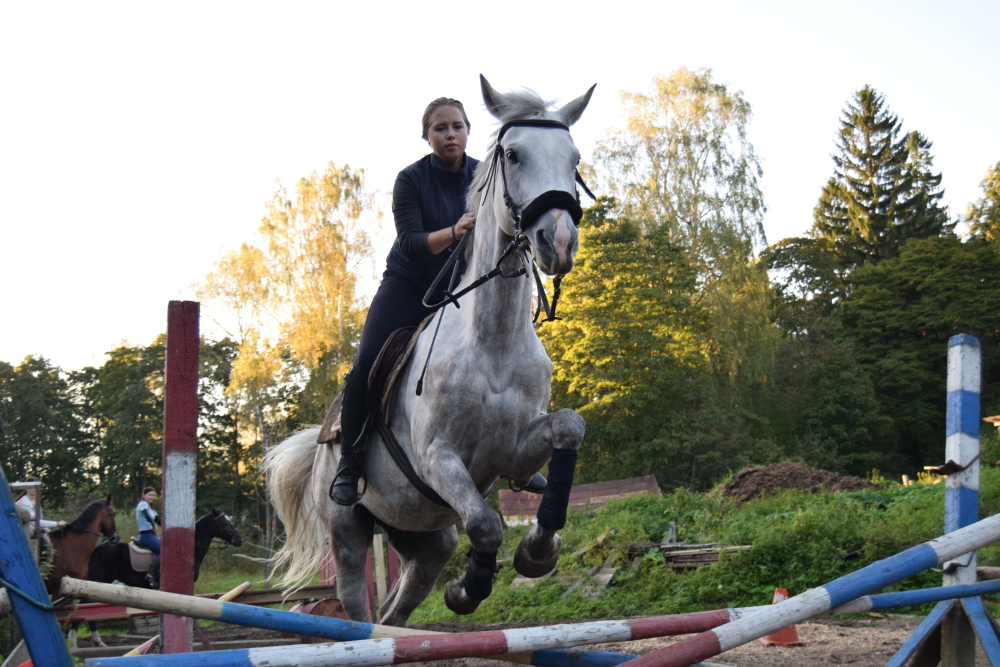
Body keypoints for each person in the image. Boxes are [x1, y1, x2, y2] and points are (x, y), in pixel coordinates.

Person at [332, 96, 545, 505]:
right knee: (366, 361)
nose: (450, 134)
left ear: (468, 131)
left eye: (458, 126)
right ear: (427, 135)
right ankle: (351, 462)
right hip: (411, 284)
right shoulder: (410, 179)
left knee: (515, 353)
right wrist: (455, 230)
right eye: (440, 128)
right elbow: (410, 243)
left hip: (464, 286)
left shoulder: (486, 173)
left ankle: (521, 459)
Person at [135, 487, 162, 586]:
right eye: (149, 495)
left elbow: (158, 520)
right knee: (164, 550)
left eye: (153, 495)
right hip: (146, 535)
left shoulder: (151, 508)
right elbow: (146, 515)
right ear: (144, 495)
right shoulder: (143, 504)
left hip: (151, 534)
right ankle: (151, 574)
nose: (152, 497)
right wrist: (153, 525)